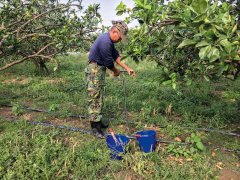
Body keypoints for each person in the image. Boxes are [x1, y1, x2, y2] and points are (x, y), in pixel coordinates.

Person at [84, 20, 135, 137]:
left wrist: (127, 68)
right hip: (94, 70)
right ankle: (95, 127)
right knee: (94, 97)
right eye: (120, 37)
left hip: (98, 70)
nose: (120, 40)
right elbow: (108, 62)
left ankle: (98, 121)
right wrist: (116, 71)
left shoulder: (109, 41)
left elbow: (116, 56)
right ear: (115, 32)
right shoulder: (105, 41)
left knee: (99, 95)